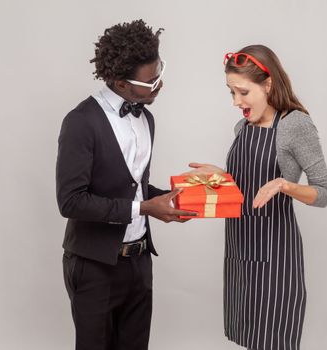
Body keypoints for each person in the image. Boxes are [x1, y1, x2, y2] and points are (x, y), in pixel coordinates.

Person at [56, 19, 194, 350]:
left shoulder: (146, 118)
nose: (160, 84)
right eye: (151, 81)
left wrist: (173, 197)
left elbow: (131, 186)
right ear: (120, 82)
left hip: (139, 261)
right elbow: (71, 202)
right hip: (94, 266)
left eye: (160, 72)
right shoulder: (80, 122)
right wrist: (144, 208)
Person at [188, 45, 327, 350]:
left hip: (275, 254)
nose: (236, 102)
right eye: (231, 93)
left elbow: (324, 193)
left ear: (268, 84)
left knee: (273, 339)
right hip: (240, 250)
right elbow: (244, 189)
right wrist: (220, 177)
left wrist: (286, 186)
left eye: (242, 92)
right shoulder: (242, 127)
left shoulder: (295, 125)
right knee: (248, 338)